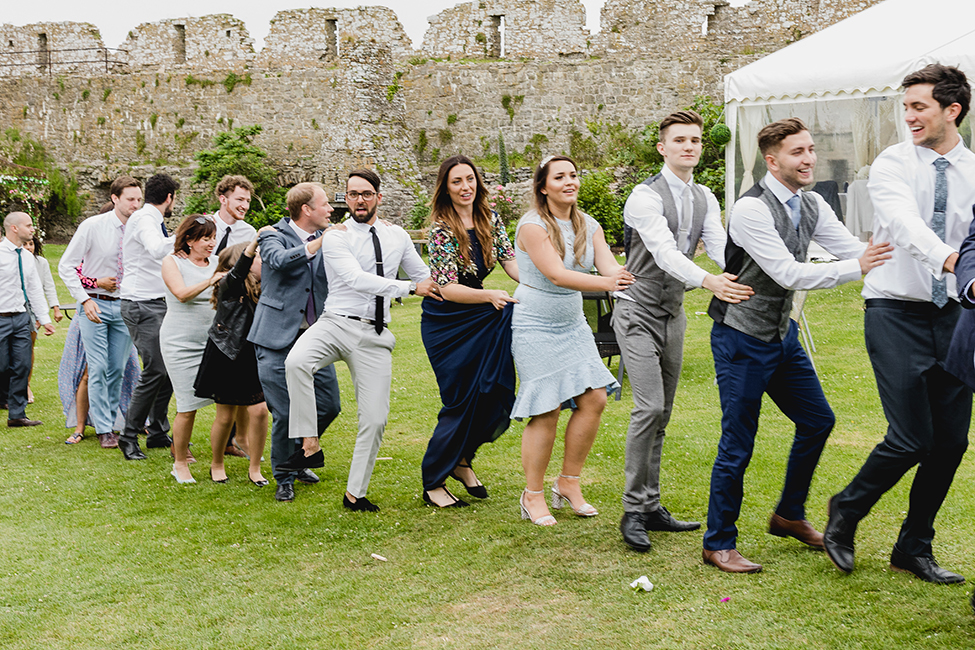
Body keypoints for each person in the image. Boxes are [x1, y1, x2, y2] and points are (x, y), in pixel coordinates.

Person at [703, 117, 891, 573]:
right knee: (738, 442)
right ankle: (718, 542)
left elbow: (849, 247)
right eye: (797, 153)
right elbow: (786, 273)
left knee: (818, 420)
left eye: (810, 150)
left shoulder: (811, 203)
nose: (809, 159)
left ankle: (788, 514)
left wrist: (893, 248)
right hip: (741, 336)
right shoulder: (750, 210)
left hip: (780, 335)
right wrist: (859, 267)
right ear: (772, 160)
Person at [825, 64, 975, 584]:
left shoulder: (974, 170)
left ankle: (914, 545)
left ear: (951, 111)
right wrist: (952, 260)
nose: (907, 116)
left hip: (956, 316)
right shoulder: (892, 162)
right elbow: (907, 226)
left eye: (919, 107)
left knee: (952, 441)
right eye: (905, 105)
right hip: (895, 310)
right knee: (911, 437)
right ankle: (846, 509)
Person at [616, 110, 753, 552]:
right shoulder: (644, 196)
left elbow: (720, 246)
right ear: (663, 147)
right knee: (648, 408)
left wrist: (756, 270)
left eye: (695, 140)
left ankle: (651, 507)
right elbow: (665, 252)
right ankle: (633, 511)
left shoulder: (705, 197)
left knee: (664, 414)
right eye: (679, 141)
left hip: (673, 314)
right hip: (636, 311)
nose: (689, 147)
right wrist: (709, 282)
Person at [279, 170, 441, 512]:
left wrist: (452, 282)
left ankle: (355, 494)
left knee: (375, 419)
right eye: (353, 194)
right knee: (296, 362)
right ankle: (310, 444)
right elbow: (355, 279)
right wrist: (408, 288)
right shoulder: (336, 236)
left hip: (375, 333)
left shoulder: (397, 236)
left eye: (366, 194)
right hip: (336, 322)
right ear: (346, 199)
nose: (359, 200)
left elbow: (425, 276)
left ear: (379, 197)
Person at [511, 155, 634, 526]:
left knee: (595, 397)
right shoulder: (532, 226)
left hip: (572, 323)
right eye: (560, 176)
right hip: (534, 323)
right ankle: (532, 495)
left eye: (574, 175)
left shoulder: (588, 224)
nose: (570, 181)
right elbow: (557, 275)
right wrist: (609, 283)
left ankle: (568, 482)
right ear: (543, 186)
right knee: (546, 408)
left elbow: (608, 265)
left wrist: (625, 275)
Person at [420, 155, 520, 508]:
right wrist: (489, 294)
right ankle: (433, 481)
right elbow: (446, 288)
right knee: (460, 401)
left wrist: (543, 281)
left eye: (469, 180)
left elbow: (510, 262)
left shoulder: (491, 218)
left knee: (493, 393)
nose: (465, 187)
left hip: (482, 313)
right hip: (447, 322)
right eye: (456, 182)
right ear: (445, 189)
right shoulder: (440, 229)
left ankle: (462, 462)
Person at [247, 182, 342, 503]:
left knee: (329, 405)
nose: (331, 209)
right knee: (286, 413)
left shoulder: (329, 237)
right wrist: (318, 245)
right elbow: (277, 261)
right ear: (307, 210)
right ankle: (284, 476)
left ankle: (304, 451)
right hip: (275, 337)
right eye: (325, 203)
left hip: (315, 339)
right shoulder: (272, 234)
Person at [58, 176, 142, 450]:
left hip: (125, 306)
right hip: (94, 304)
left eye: (139, 199)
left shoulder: (142, 229)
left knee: (117, 368)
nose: (135, 204)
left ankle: (115, 423)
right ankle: (105, 430)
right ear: (115, 198)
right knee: (98, 367)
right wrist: (83, 300)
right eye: (130, 199)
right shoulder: (93, 226)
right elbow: (66, 265)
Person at [194, 234, 271, 486]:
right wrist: (253, 245)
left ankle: (255, 466)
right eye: (257, 257)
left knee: (260, 412)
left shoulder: (265, 286)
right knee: (225, 417)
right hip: (226, 354)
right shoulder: (229, 286)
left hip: (252, 355)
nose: (262, 260)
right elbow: (238, 273)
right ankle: (217, 463)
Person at [118, 173, 178, 461]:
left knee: (166, 368)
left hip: (156, 302)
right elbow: (156, 251)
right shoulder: (145, 219)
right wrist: (187, 235)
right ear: (170, 198)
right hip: (140, 303)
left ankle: (157, 430)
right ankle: (128, 436)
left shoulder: (151, 219)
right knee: (155, 369)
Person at [159, 215, 223, 483]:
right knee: (187, 405)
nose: (211, 243)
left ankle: (219, 459)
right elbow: (181, 294)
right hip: (180, 343)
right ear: (189, 240)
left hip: (213, 342)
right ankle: (180, 462)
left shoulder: (217, 262)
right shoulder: (172, 261)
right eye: (205, 238)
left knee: (226, 402)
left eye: (213, 237)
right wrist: (211, 281)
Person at [209, 174, 259, 460]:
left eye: (248, 201)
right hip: (203, 299)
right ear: (223, 198)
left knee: (237, 375)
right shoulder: (204, 224)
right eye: (240, 199)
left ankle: (233, 440)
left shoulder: (249, 231)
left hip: (234, 311)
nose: (245, 205)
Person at [0, 212, 54, 427]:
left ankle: (17, 415)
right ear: (14, 228)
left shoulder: (26, 256)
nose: (33, 229)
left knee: (22, 365)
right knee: (2, 366)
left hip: (22, 318)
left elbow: (34, 289)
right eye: (29, 225)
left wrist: (45, 318)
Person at [22, 234, 62, 404]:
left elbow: (49, 286)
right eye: (25, 244)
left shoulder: (41, 263)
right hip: (15, 306)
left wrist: (55, 308)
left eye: (31, 244)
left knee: (28, 347)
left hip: (33, 307)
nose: (28, 247)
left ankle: (27, 384)